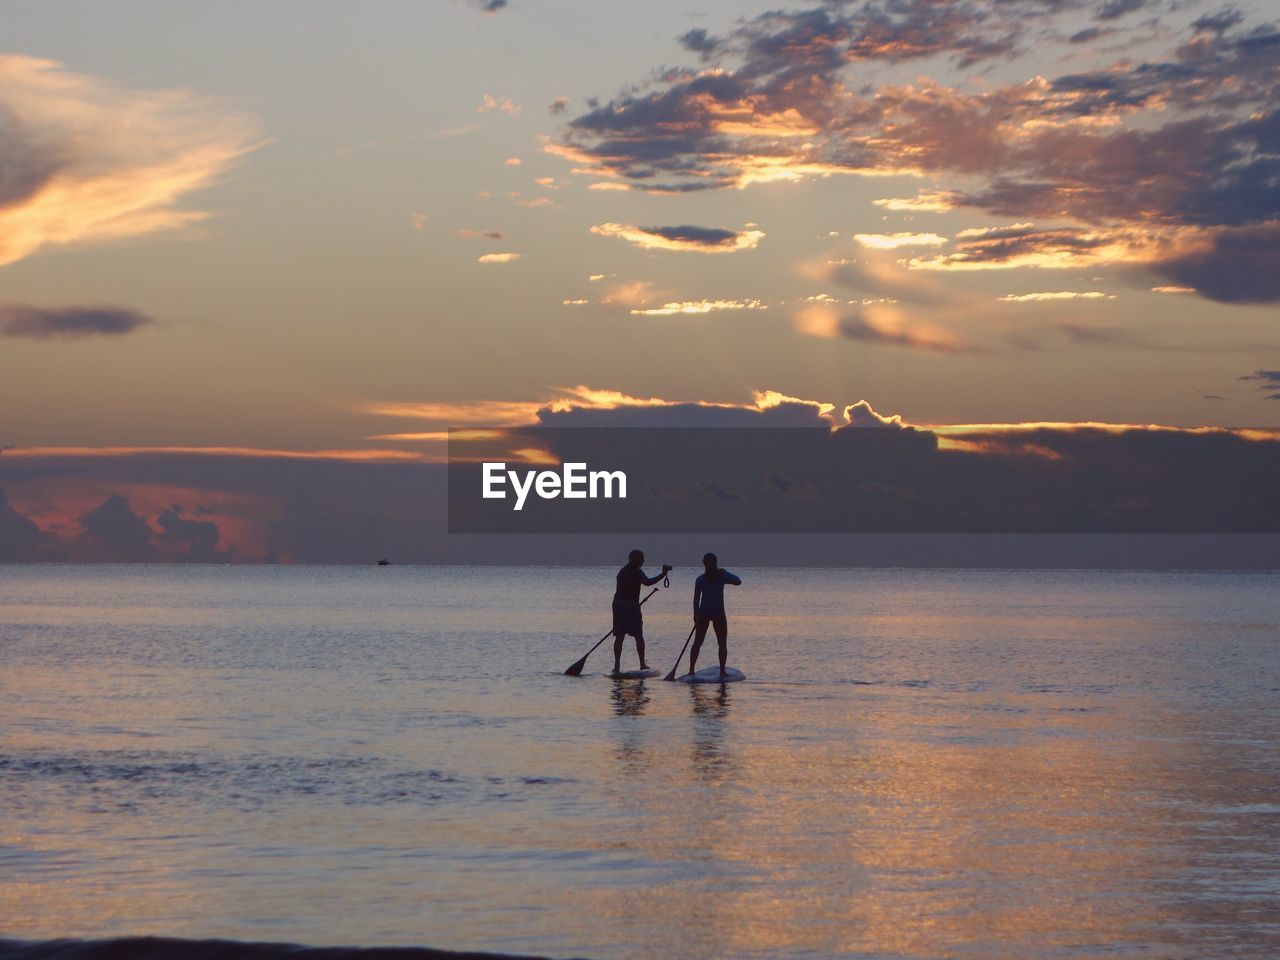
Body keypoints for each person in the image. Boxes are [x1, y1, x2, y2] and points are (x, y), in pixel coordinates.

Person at [612, 549, 671, 675]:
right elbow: (647, 582)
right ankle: (642, 664)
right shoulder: (635, 572)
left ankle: (617, 665)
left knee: (620, 636)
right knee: (638, 635)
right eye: (641, 559)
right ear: (634, 559)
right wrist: (662, 574)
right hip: (629, 607)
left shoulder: (622, 572)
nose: (643, 561)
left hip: (619, 605)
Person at [688, 553, 742, 679]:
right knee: (697, 642)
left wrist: (724, 572)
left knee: (722, 643)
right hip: (704, 613)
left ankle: (722, 671)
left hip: (718, 613)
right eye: (708, 563)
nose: (711, 566)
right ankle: (691, 670)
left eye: (713, 563)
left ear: (715, 563)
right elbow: (696, 598)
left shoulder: (721, 576)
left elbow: (738, 581)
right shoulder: (700, 579)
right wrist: (695, 614)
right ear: (705, 564)